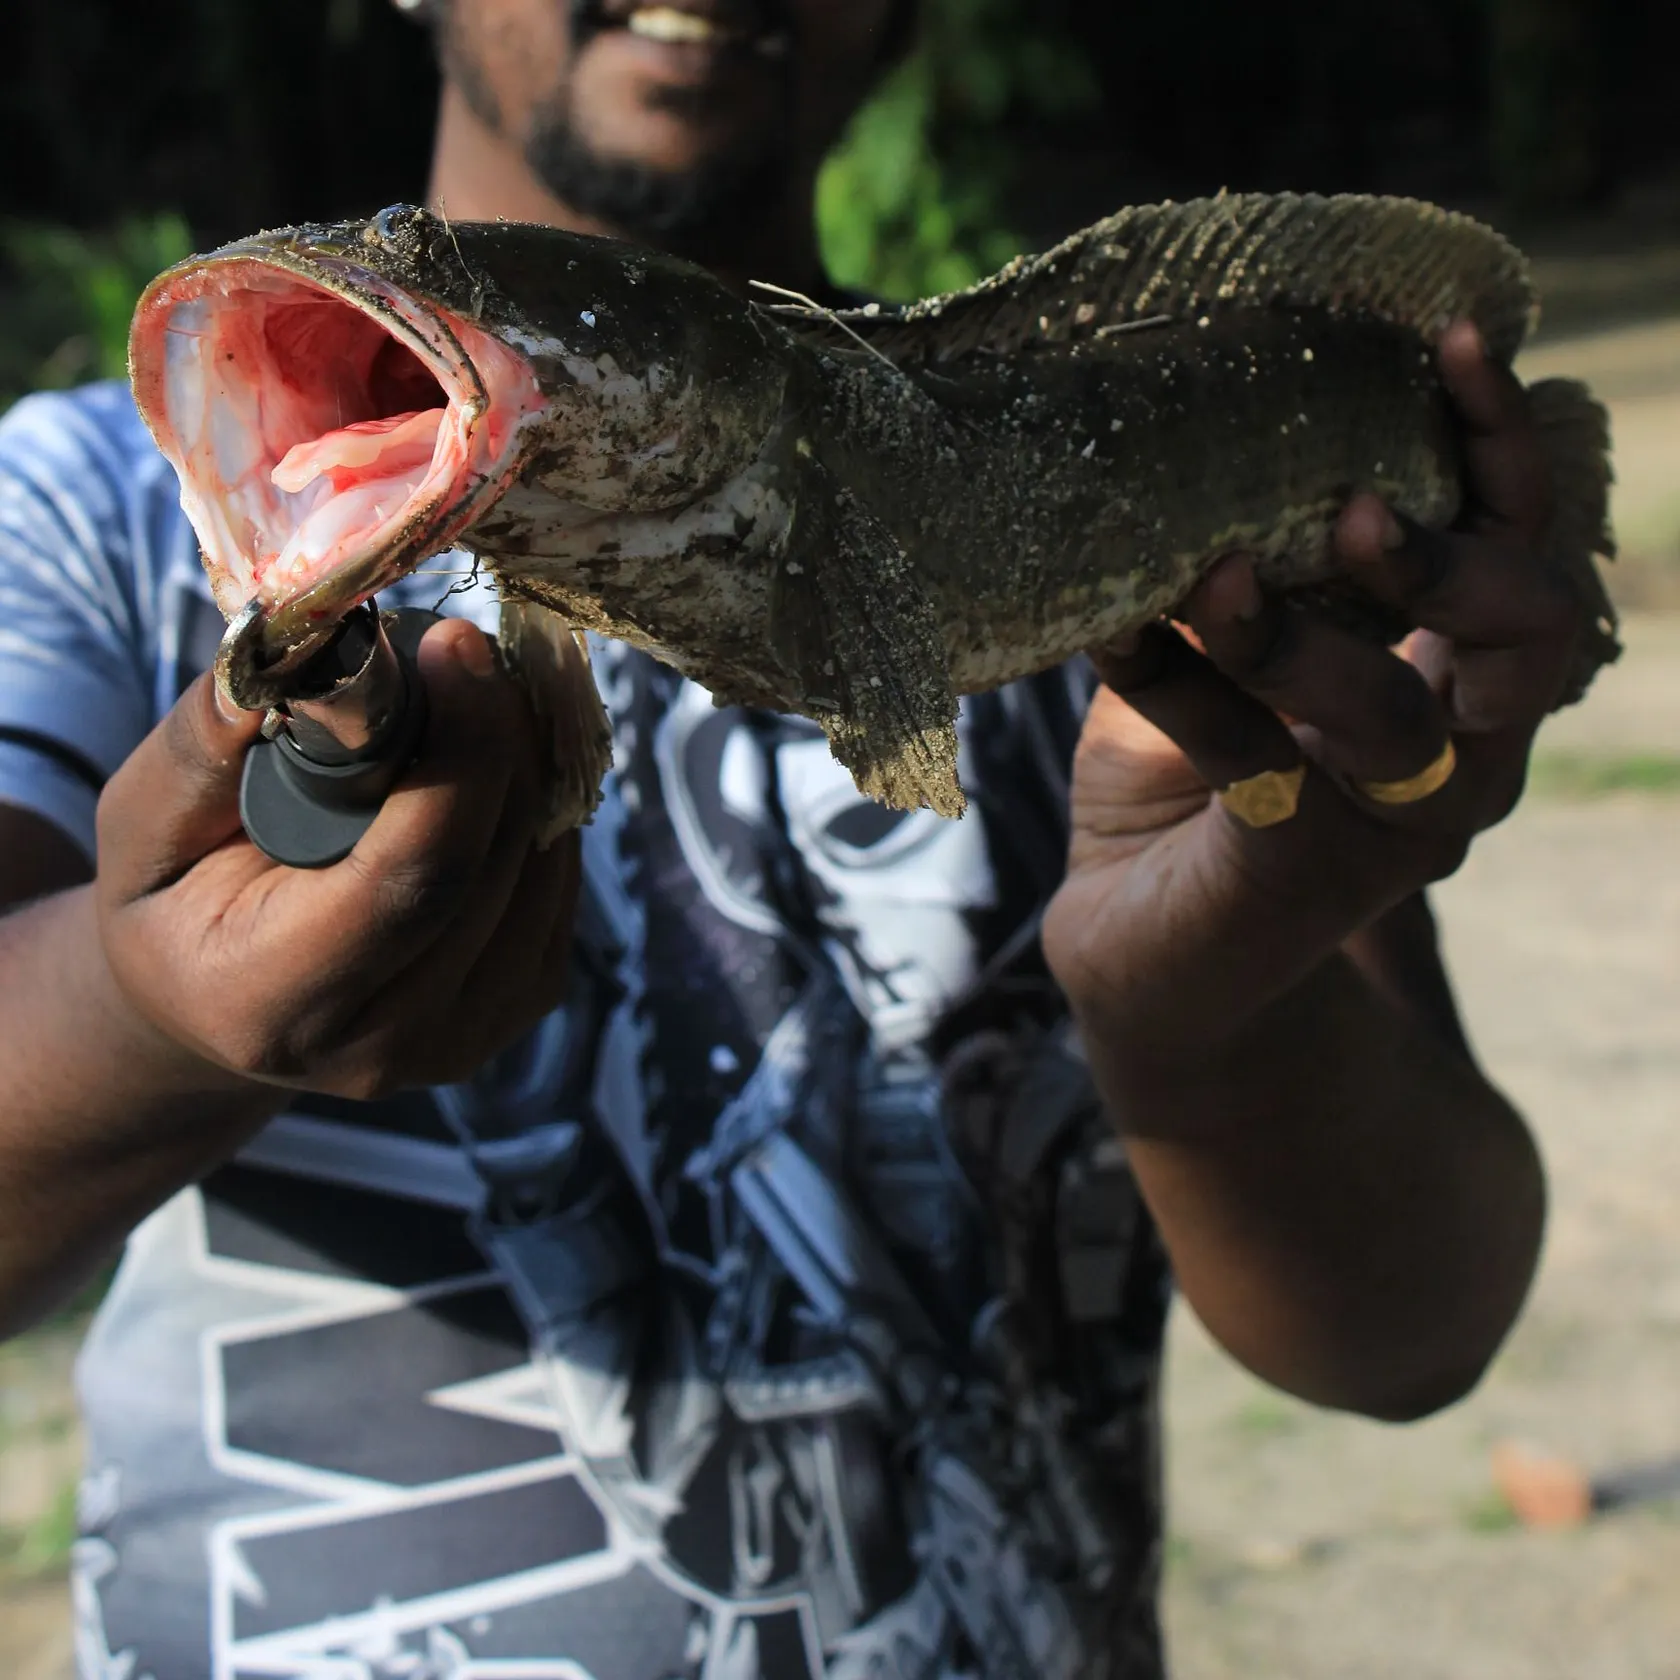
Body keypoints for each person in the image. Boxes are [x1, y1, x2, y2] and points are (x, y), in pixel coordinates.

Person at [0, 1, 1581, 1675]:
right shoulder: (87, 518)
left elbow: (1418, 1331)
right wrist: (141, 1008)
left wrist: (1205, 1026)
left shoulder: (1175, 639)